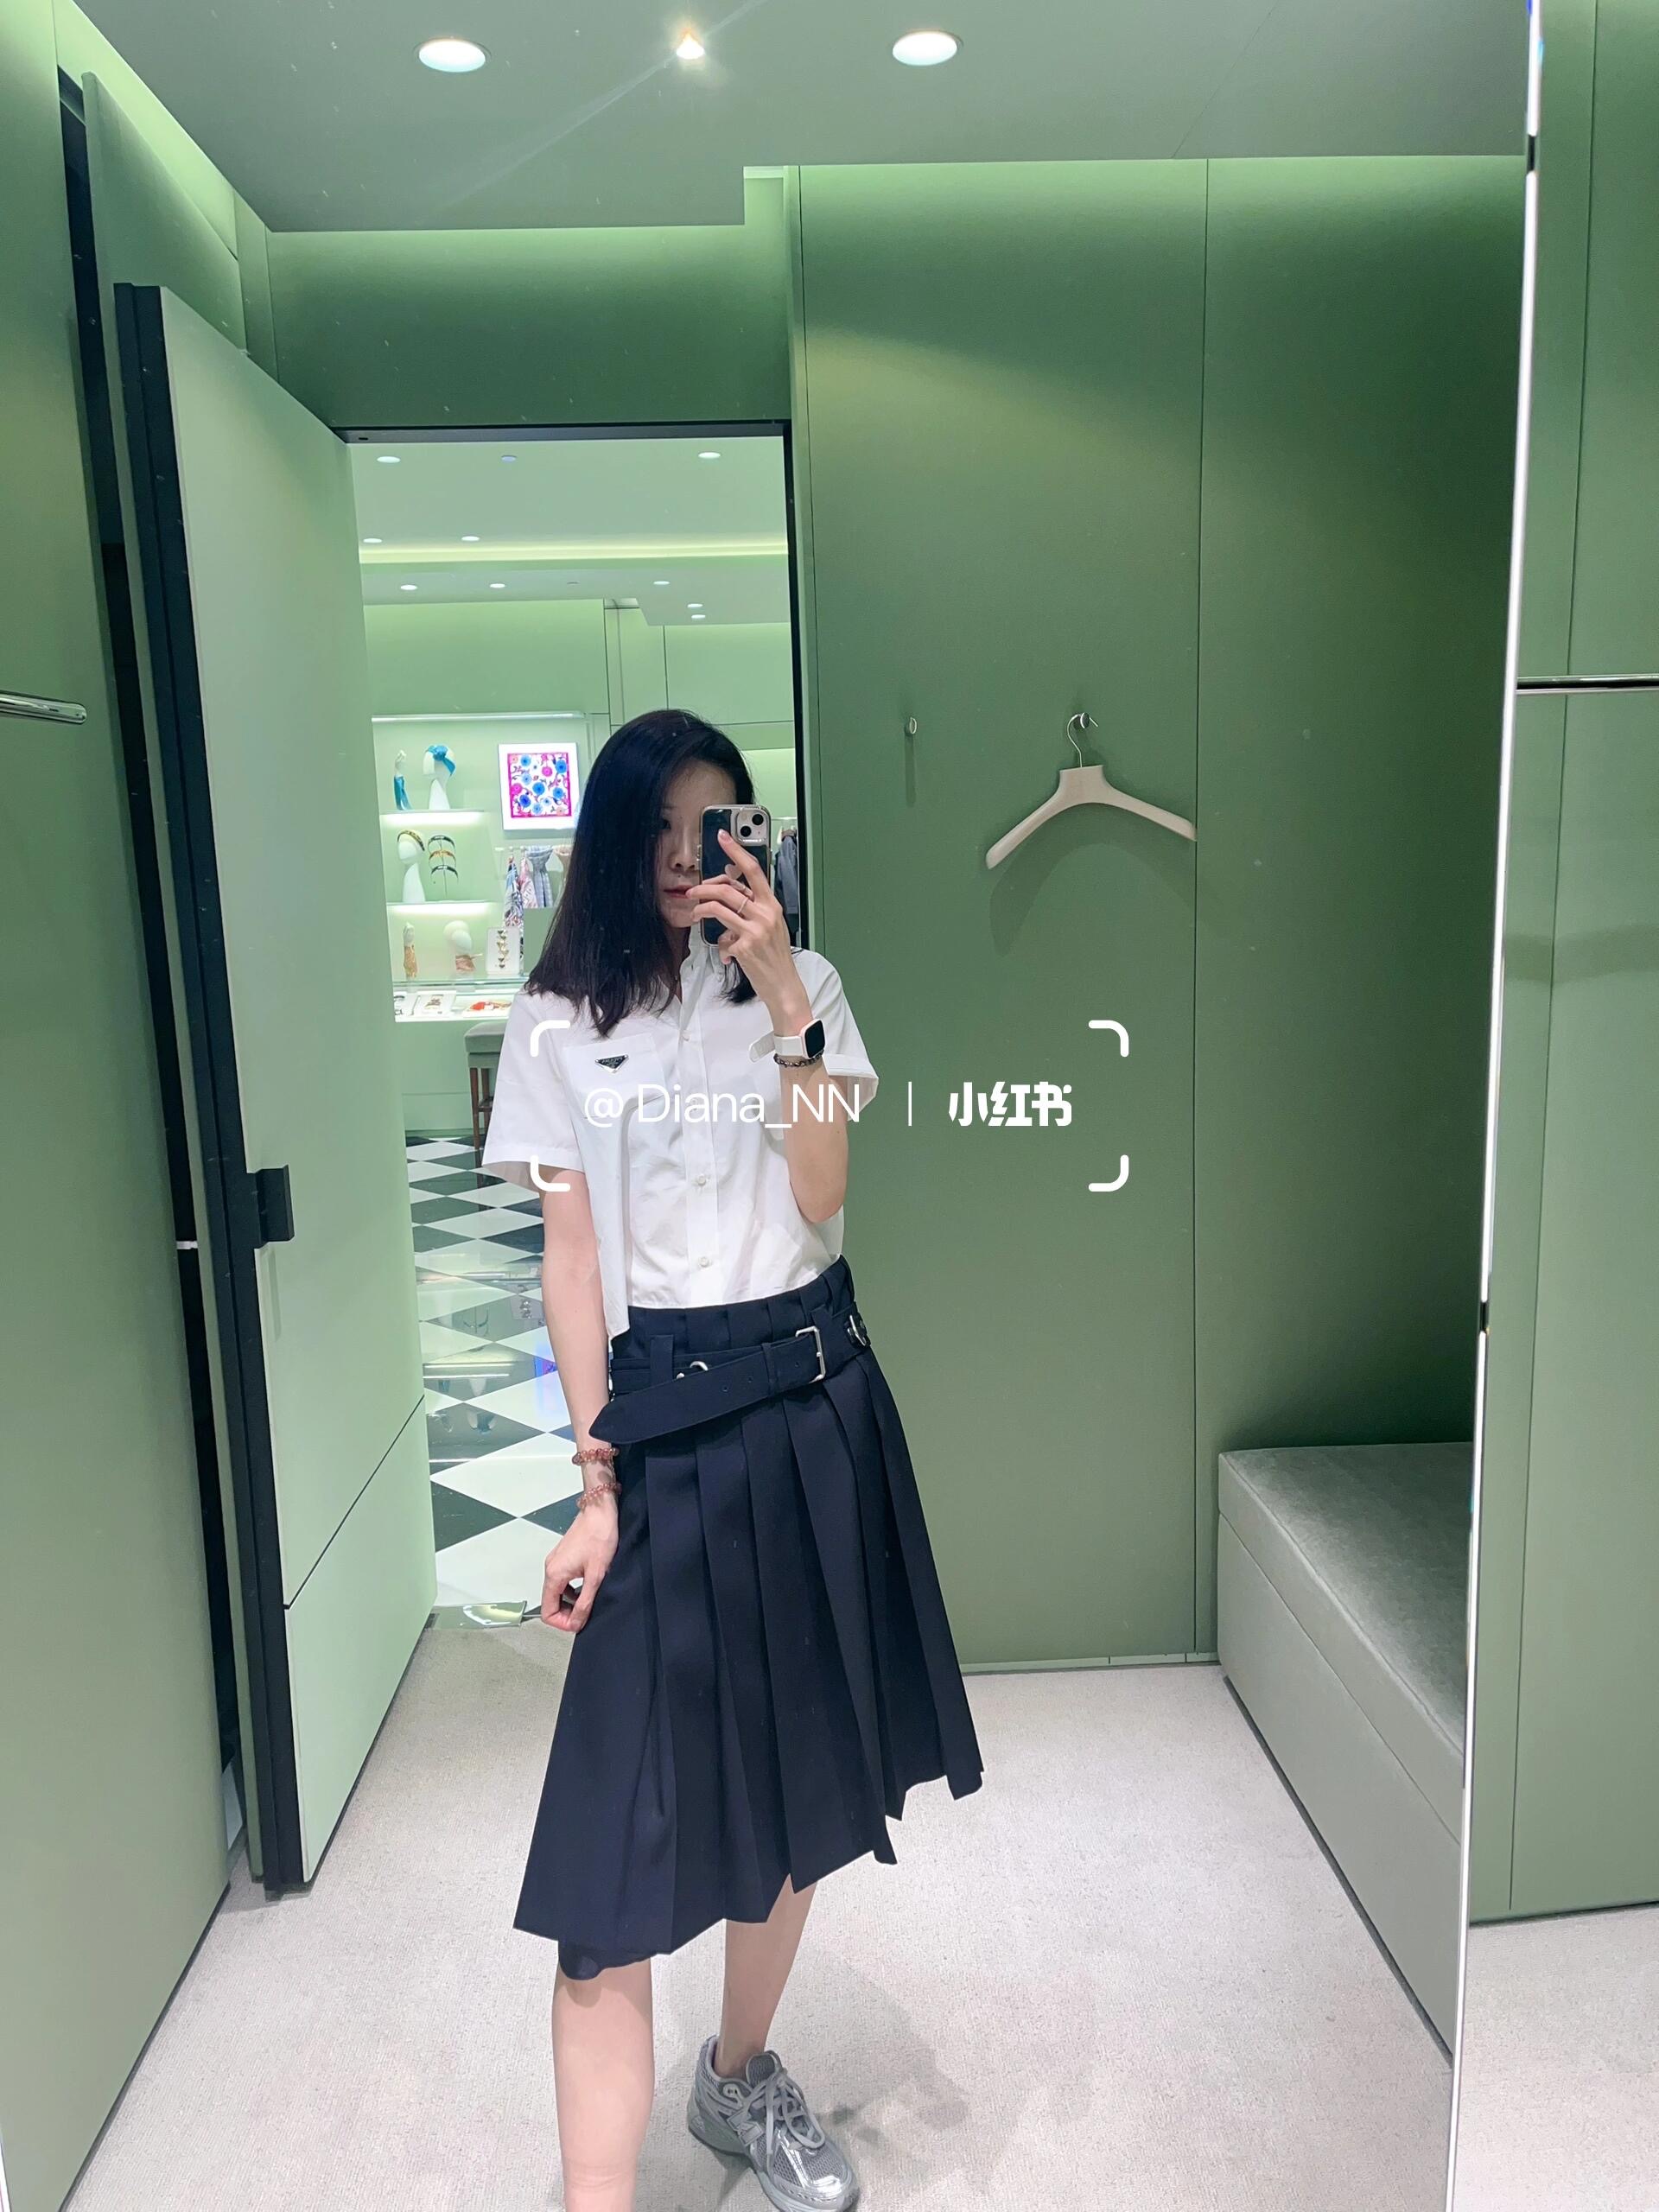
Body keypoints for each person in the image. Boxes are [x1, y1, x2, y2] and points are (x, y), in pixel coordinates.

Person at [482, 708, 983, 2212]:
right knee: (606, 1861)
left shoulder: (807, 987)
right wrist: (594, 1489)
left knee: (800, 1791)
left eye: (715, 826)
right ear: (614, 840)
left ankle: (740, 2073)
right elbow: (574, 1262)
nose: (687, 856)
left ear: (751, 839)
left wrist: (782, 1003)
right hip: (663, 1424)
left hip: (813, 1403)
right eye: (659, 827)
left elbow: (822, 1193)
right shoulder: (555, 1020)